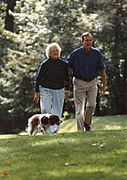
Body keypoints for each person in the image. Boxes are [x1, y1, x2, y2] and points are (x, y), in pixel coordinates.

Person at [67, 32, 106, 132]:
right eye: (86, 40)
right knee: (79, 109)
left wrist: (104, 85)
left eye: (90, 40)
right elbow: (67, 66)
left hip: (92, 82)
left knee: (91, 105)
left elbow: (102, 70)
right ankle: (80, 131)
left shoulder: (97, 53)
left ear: (92, 41)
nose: (88, 42)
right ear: (82, 41)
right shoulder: (76, 53)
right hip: (79, 83)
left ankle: (87, 124)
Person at [33, 42, 70, 133]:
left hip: (59, 89)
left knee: (57, 110)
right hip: (45, 89)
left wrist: (68, 89)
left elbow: (67, 78)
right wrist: (37, 92)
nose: (55, 52)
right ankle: (46, 129)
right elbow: (38, 78)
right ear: (49, 52)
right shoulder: (45, 64)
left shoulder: (63, 64)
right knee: (45, 109)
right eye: (53, 50)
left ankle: (55, 130)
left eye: (57, 50)